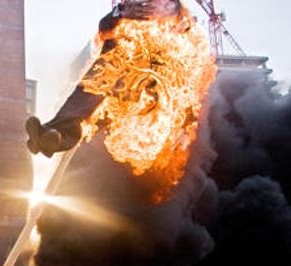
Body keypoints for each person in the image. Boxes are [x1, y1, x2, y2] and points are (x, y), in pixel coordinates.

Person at [25, 0, 181, 157]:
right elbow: (103, 30)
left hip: (136, 83)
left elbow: (173, 54)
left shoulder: (171, 14)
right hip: (108, 73)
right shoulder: (124, 10)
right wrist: (120, 14)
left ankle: (55, 138)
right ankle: (47, 137)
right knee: (80, 105)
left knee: (86, 110)